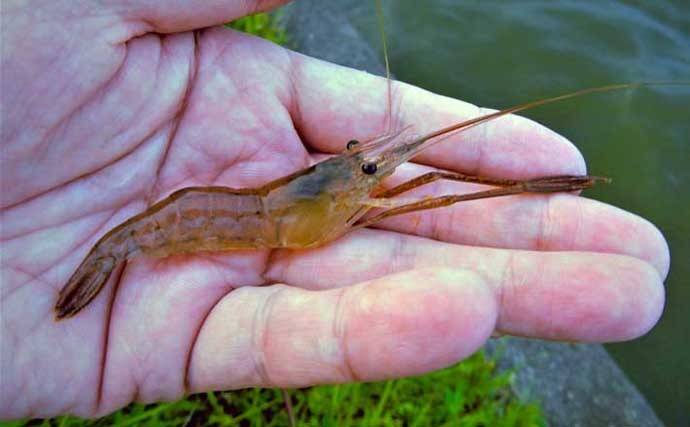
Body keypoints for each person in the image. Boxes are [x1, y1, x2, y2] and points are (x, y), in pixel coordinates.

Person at [0, 0, 668, 420]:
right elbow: (430, 188)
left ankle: (547, 182)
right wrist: (368, 175)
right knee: (444, 191)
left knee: (435, 182)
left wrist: (363, 169)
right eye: (364, 161)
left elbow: (363, 177)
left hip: (223, 215)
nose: (371, 165)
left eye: (364, 162)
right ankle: (542, 185)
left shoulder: (343, 183)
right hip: (189, 223)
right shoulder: (331, 196)